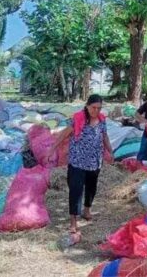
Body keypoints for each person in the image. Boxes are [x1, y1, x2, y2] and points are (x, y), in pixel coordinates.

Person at [49, 94, 113, 239]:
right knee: (76, 190)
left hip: (94, 161)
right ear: (87, 106)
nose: (96, 110)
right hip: (77, 161)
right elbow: (63, 135)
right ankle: (73, 221)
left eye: (99, 108)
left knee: (91, 188)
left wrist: (110, 151)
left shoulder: (102, 120)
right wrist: (51, 150)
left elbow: (105, 136)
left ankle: (87, 210)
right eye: (93, 107)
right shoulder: (78, 119)